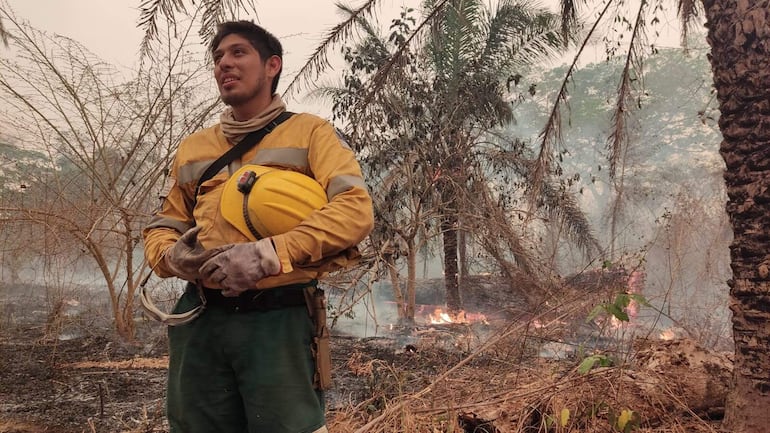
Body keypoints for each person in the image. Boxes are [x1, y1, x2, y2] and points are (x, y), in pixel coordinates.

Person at [142, 20, 374, 433]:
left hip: (278, 319)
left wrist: (268, 254)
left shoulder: (311, 133)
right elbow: (164, 225)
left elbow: (355, 209)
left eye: (237, 53)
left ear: (272, 65)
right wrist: (173, 258)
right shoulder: (194, 148)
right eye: (217, 58)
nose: (223, 65)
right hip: (199, 319)